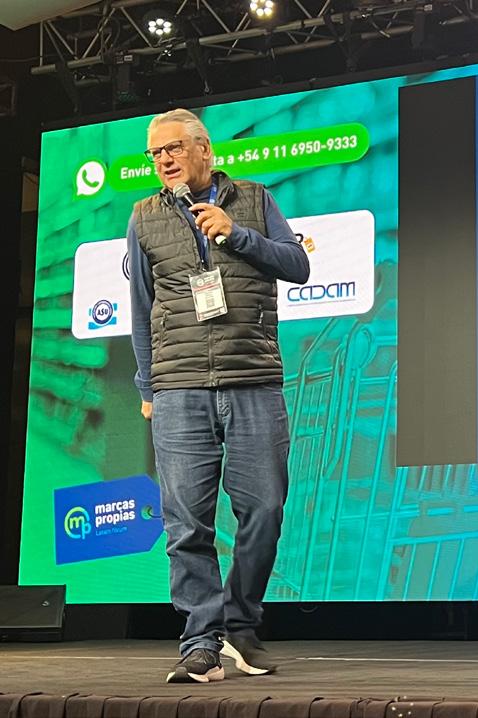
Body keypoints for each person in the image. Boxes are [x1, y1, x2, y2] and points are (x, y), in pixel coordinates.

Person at [127, 108, 310, 684]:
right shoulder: (144, 216)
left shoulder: (254, 199)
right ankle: (200, 640)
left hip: (252, 378)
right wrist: (148, 385)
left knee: (265, 509)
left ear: (205, 149)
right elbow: (141, 307)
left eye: (174, 148)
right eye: (156, 153)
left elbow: (298, 265)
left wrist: (237, 234)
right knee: (186, 522)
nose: (164, 160)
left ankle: (240, 624)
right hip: (179, 386)